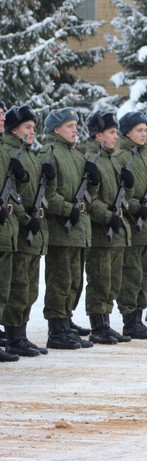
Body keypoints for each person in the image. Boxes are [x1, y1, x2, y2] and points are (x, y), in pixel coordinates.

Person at [42, 108, 99, 350]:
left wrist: (94, 183)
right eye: (69, 126)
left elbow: (87, 196)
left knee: (75, 280)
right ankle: (56, 329)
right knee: (60, 280)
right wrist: (68, 210)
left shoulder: (77, 155)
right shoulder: (50, 154)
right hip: (61, 230)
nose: (75, 129)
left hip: (79, 229)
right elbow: (46, 195)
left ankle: (66, 320)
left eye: (75, 125)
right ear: (56, 130)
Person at [3, 106, 52, 357]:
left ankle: (20, 334)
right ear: (14, 129)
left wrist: (48, 178)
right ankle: (13, 336)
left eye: (34, 127)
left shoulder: (30, 155)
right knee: (18, 287)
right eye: (27, 128)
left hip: (31, 229)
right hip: (19, 229)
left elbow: (38, 195)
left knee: (30, 288)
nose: (32, 132)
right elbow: (12, 196)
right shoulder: (9, 153)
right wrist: (25, 219)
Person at [115, 111, 147, 340]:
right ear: (127, 132)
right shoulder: (123, 157)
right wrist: (136, 208)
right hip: (134, 226)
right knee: (132, 274)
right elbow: (119, 195)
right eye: (139, 130)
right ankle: (130, 320)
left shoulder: (146, 156)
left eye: (146, 130)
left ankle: (139, 316)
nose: (144, 134)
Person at [83, 111, 132, 345]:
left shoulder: (113, 160)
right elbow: (89, 198)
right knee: (100, 280)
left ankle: (106, 322)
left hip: (115, 231)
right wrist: (107, 216)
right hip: (100, 232)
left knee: (112, 281)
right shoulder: (91, 160)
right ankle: (98, 325)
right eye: (112, 132)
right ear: (98, 135)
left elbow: (119, 197)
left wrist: (128, 187)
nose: (117, 137)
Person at [0, 106, 28, 362]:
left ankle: (15, 337)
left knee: (5, 289)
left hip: (7, 229)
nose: (1, 117)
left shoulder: (5, 152)